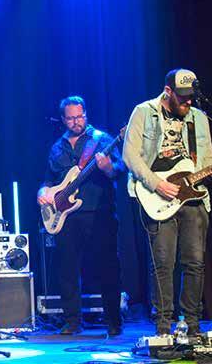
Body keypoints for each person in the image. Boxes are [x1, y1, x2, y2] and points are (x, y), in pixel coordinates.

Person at [123, 68, 212, 336]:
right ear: (168, 91)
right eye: (182, 97)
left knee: (195, 263)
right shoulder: (144, 112)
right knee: (163, 263)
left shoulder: (198, 118)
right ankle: (163, 325)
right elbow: (130, 155)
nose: (188, 101)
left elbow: (205, 160)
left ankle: (192, 324)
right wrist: (157, 184)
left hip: (193, 197)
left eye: (191, 96)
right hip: (158, 195)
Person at [37, 96, 125, 336]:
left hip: (99, 212)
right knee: (66, 269)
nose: (76, 122)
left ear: (86, 114)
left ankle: (113, 321)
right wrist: (42, 192)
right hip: (66, 216)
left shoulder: (102, 140)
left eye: (80, 116)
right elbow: (48, 180)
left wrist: (107, 167)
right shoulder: (57, 147)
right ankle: (72, 321)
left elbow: (120, 170)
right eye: (71, 118)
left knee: (107, 266)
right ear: (63, 119)